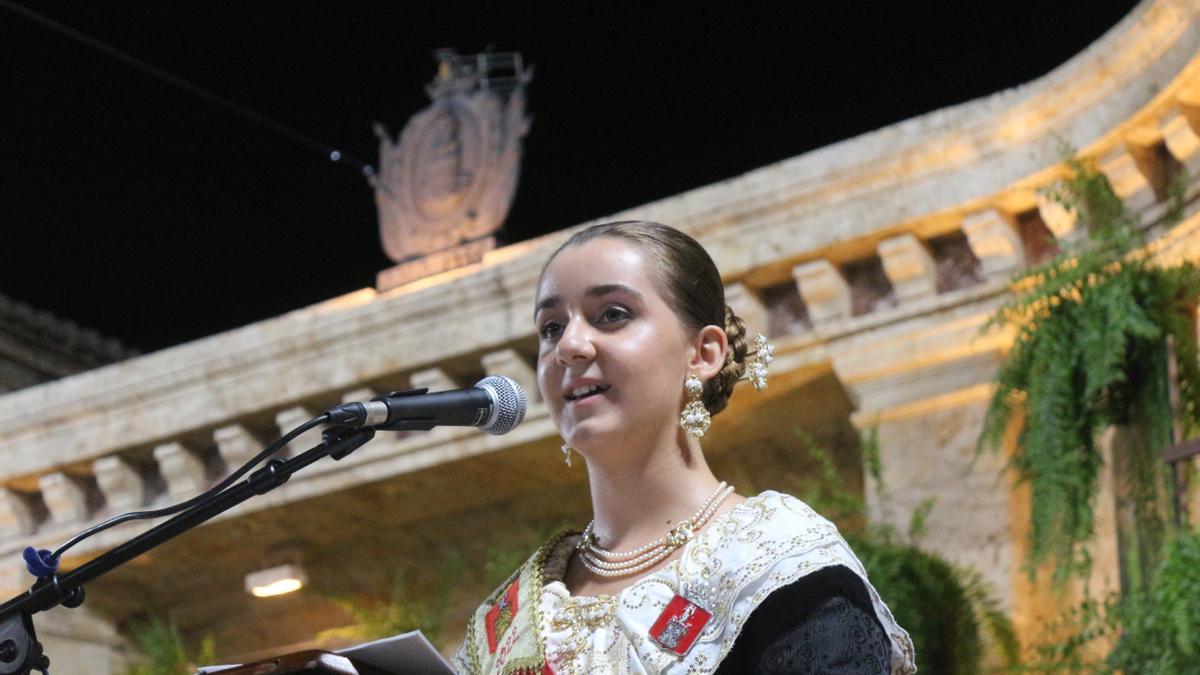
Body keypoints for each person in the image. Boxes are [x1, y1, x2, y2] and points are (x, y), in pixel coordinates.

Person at [454, 221, 915, 674]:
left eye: (612, 315)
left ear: (703, 353)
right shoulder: (513, 617)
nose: (569, 346)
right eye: (551, 327)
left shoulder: (771, 560)